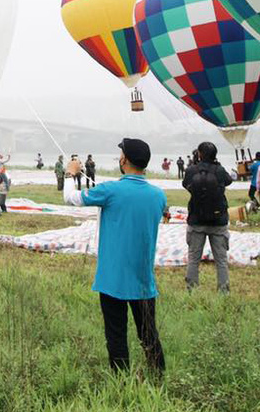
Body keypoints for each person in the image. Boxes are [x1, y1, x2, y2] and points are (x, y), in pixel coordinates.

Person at [81, 138, 170, 374]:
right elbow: (161, 208)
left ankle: (120, 380)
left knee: (116, 333)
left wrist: (72, 175)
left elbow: (71, 197)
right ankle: (158, 374)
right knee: (148, 332)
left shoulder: (110, 190)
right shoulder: (159, 195)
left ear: (124, 160)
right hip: (143, 281)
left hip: (112, 280)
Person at [181, 141, 233, 293]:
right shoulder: (220, 170)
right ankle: (224, 292)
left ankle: (191, 291)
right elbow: (229, 181)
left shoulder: (191, 170)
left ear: (199, 153)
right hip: (218, 221)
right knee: (221, 261)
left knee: (193, 259)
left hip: (196, 220)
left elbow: (186, 185)